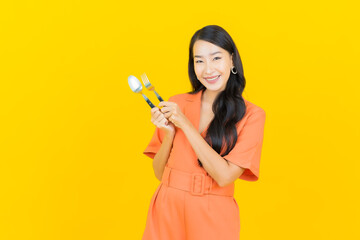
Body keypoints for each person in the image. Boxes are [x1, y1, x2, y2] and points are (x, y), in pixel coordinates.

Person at [142, 25, 266, 240]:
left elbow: (225, 176)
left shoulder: (252, 115)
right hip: (166, 207)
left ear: (232, 60)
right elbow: (160, 174)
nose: (208, 69)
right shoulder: (177, 103)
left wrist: (186, 125)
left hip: (212, 212)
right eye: (199, 61)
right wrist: (170, 133)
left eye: (216, 58)